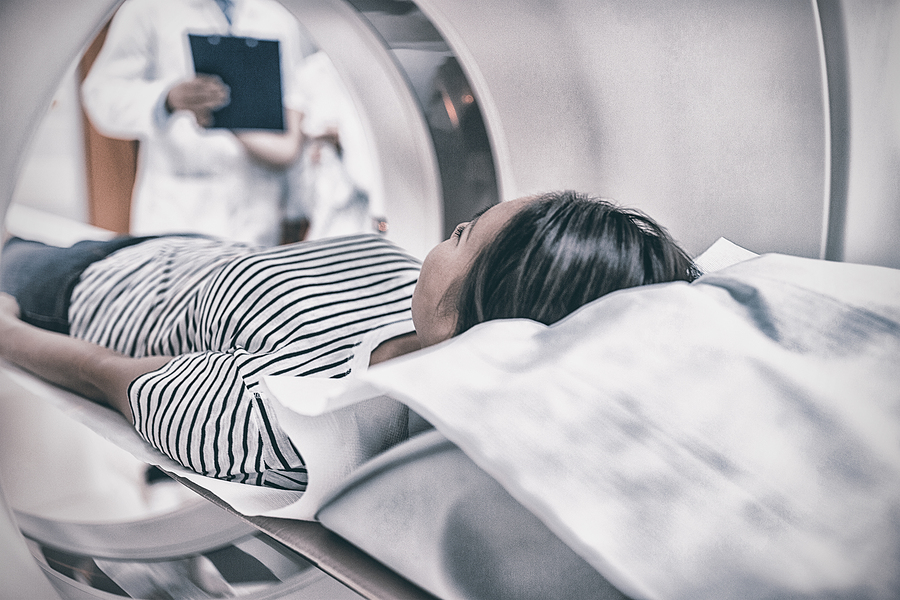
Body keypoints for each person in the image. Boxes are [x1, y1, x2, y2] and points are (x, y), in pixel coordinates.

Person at [0, 191, 694, 491]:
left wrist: (6, 331)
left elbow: (103, 372)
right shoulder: (419, 307)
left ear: (477, 324)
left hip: (81, 291)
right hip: (175, 251)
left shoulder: (290, 413)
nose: (447, 232)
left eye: (463, 235)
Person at [81, 0, 314, 246]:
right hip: (178, 210)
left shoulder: (278, 15)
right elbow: (101, 95)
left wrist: (297, 209)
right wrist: (168, 98)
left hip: (259, 214)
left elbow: (295, 107)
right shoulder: (148, 7)